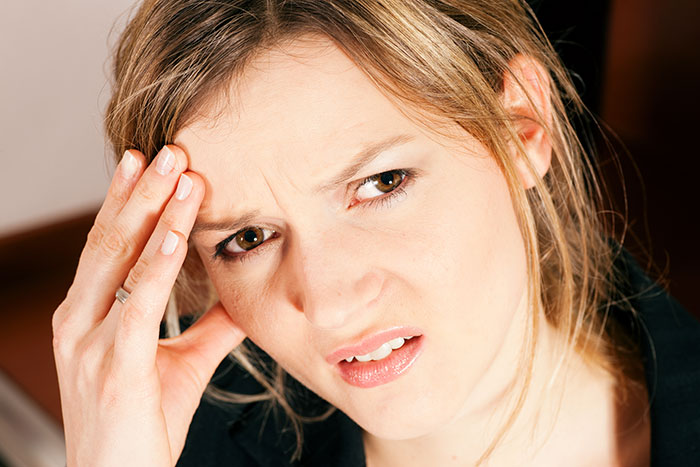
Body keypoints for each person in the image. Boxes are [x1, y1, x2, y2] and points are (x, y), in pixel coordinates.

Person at [52, 1, 700, 465]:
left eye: (382, 182)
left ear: (521, 127)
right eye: (247, 238)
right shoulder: (171, 444)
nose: (329, 303)